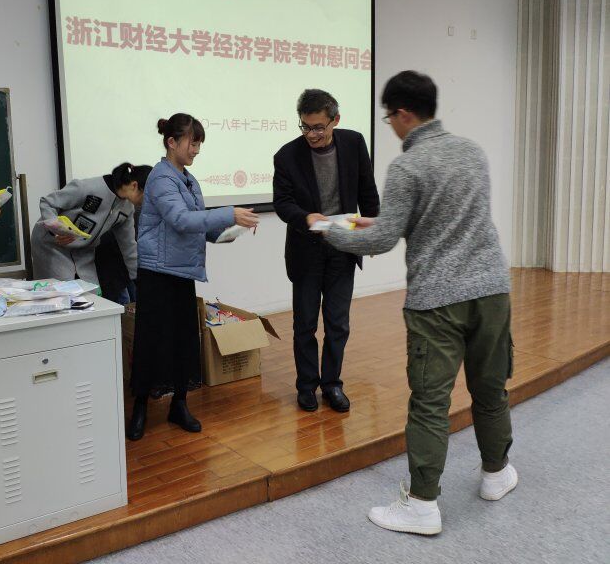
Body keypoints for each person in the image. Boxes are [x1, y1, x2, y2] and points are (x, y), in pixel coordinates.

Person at [320, 71, 516, 535]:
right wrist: (362, 222)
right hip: (492, 290)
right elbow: (431, 219)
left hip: (437, 301)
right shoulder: (472, 152)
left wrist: (329, 230)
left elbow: (385, 239)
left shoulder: (407, 167)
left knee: (430, 402)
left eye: (389, 117)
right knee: (490, 389)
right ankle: (496, 473)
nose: (390, 125)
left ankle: (423, 506)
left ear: (405, 114)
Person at [126, 114, 259, 441]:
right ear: (172, 142)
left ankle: (179, 405)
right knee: (151, 342)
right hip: (157, 271)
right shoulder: (160, 177)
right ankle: (140, 408)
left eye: (199, 143)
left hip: (183, 270)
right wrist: (229, 213)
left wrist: (229, 230)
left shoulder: (189, 180)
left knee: (185, 340)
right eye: (192, 142)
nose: (196, 149)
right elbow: (181, 219)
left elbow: (198, 222)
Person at [273, 89, 380, 413]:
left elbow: (367, 191)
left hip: (343, 247)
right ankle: (306, 386)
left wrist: (373, 233)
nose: (312, 134)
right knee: (305, 324)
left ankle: (332, 384)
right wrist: (305, 217)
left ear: (335, 120)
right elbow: (282, 203)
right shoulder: (287, 155)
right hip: (306, 251)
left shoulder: (354, 143)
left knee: (338, 323)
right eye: (305, 127)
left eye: (319, 127)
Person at [30, 163, 151, 297]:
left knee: (93, 295)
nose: (146, 203)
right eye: (146, 196)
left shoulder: (127, 208)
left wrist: (139, 280)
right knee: (61, 295)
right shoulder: (87, 188)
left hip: (84, 250)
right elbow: (47, 202)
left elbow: (129, 246)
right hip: (53, 245)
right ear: (134, 185)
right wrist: (56, 228)